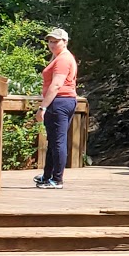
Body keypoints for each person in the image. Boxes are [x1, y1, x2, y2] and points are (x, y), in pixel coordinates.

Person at [35, 28, 79, 190]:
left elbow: (56, 85)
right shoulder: (60, 57)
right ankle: (48, 176)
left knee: (58, 141)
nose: (52, 44)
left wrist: (43, 107)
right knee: (53, 141)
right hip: (63, 101)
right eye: (50, 41)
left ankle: (57, 179)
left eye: (56, 41)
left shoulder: (63, 59)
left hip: (59, 101)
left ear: (65, 42)